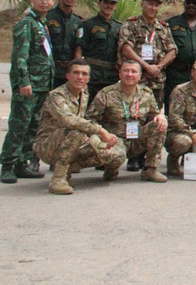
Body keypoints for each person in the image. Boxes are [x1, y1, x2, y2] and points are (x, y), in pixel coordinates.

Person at [32, 59, 126, 194]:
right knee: (76, 131)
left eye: (84, 74)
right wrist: (100, 130)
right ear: (67, 76)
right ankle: (58, 179)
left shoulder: (84, 94)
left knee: (114, 151)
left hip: (72, 142)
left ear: (88, 78)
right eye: (76, 73)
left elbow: (83, 122)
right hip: (48, 146)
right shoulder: (56, 95)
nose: (80, 77)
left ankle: (69, 171)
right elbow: (69, 121)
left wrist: (101, 142)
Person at [0, 0, 57, 183]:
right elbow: (19, 57)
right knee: (19, 125)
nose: (44, 1)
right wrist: (23, 82)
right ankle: (7, 165)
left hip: (42, 85)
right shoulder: (26, 24)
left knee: (33, 126)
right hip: (29, 85)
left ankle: (22, 163)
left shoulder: (42, 23)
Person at [85, 59, 168, 183]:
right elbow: (90, 119)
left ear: (139, 76)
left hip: (137, 139)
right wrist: (102, 136)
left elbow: (153, 116)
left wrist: (160, 116)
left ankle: (151, 169)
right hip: (115, 140)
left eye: (133, 71)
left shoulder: (147, 93)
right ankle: (111, 169)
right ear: (120, 74)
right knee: (116, 155)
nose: (129, 74)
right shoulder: (106, 94)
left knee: (159, 124)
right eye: (126, 71)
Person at [118, 0, 177, 107]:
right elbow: (126, 49)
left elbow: (172, 51)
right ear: (142, 4)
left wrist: (158, 67)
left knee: (154, 112)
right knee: (133, 111)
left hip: (156, 81)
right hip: (135, 79)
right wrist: (146, 66)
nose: (153, 8)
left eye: (156, 5)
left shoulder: (163, 28)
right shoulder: (131, 25)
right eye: (150, 4)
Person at [75, 0, 122, 102]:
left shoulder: (119, 27)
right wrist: (80, 72)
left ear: (115, 6)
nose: (108, 6)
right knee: (87, 105)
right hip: (92, 74)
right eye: (106, 2)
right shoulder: (87, 24)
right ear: (99, 3)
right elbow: (78, 49)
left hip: (111, 76)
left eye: (112, 3)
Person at [46, 0, 83, 89]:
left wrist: (76, 71)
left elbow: (78, 48)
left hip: (68, 72)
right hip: (48, 71)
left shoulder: (78, 22)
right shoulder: (47, 17)